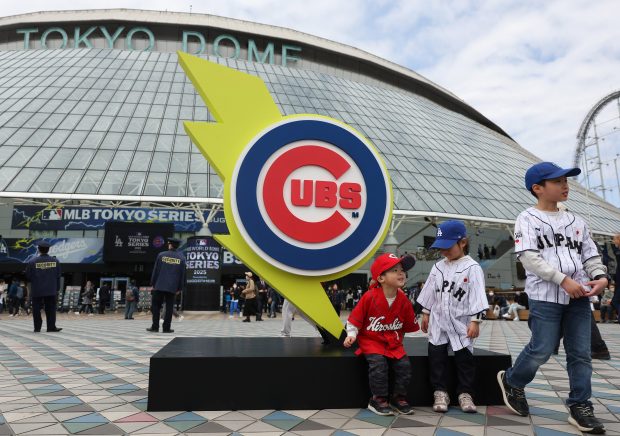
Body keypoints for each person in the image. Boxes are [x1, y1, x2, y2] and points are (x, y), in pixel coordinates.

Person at [497, 162, 608, 434]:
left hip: (579, 296)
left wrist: (601, 276)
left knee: (580, 353)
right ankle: (512, 380)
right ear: (538, 188)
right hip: (546, 295)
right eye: (557, 181)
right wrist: (563, 279)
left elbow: (590, 255)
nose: (565, 185)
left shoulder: (577, 221)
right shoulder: (527, 219)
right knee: (542, 348)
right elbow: (529, 258)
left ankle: (580, 405)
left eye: (565, 181)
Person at [418, 220, 488, 413]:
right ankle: (440, 392)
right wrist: (425, 313)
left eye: (448, 247)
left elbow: (477, 295)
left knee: (465, 361)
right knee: (437, 359)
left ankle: (465, 393)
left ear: (462, 243)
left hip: (462, 322)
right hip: (439, 321)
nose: (444, 252)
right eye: (441, 248)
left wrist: (476, 321)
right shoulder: (438, 267)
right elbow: (430, 292)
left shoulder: (472, 267)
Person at [344, 253, 418, 416]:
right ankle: (378, 399)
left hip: (393, 342)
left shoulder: (403, 299)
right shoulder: (369, 297)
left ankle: (398, 398)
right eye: (394, 270)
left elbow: (407, 326)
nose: (401, 273)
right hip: (372, 341)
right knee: (379, 366)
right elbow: (354, 320)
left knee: (404, 366)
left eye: (402, 270)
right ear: (381, 278)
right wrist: (351, 334)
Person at [147, 237, 186, 333]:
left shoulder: (161, 255)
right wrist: (179, 288)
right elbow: (182, 275)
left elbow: (156, 271)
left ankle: (155, 327)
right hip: (172, 287)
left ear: (170, 245)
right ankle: (166, 328)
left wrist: (153, 283)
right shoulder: (181, 258)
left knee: (156, 306)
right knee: (169, 308)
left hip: (159, 285)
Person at [25, 241, 62, 333]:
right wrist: (57, 289)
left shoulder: (32, 262)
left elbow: (28, 276)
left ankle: (37, 327)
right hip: (51, 289)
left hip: (37, 289)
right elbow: (58, 276)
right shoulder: (55, 261)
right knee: (51, 308)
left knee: (36, 308)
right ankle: (51, 327)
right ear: (48, 250)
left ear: (39, 249)